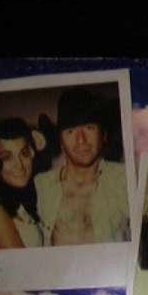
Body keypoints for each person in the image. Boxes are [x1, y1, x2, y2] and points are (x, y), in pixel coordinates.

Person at [34, 87, 130, 247]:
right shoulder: (41, 185)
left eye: (89, 127)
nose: (81, 140)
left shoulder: (124, 180)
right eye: (70, 131)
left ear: (104, 134)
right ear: (61, 141)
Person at [0, 118, 46, 248]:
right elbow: (17, 259)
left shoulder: (28, 197)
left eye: (24, 153)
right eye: (7, 157)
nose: (19, 165)